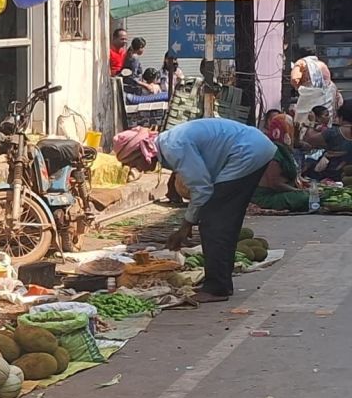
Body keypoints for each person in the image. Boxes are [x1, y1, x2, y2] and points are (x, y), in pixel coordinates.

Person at [112, 119, 275, 303]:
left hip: (247, 152)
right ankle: (220, 281)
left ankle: (217, 287)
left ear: (141, 154)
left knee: (214, 222)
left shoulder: (173, 147)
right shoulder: (169, 144)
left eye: (133, 164)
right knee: (223, 220)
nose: (137, 169)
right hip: (252, 148)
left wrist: (185, 225)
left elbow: (202, 188)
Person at [301, 100, 352, 180]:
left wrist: (311, 122)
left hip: (332, 174)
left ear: (341, 117)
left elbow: (309, 140)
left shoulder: (334, 132)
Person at [250, 145, 309, 212]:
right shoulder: (274, 152)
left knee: (313, 196)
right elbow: (275, 184)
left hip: (280, 192)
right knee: (306, 198)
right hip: (266, 197)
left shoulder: (283, 150)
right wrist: (297, 190)